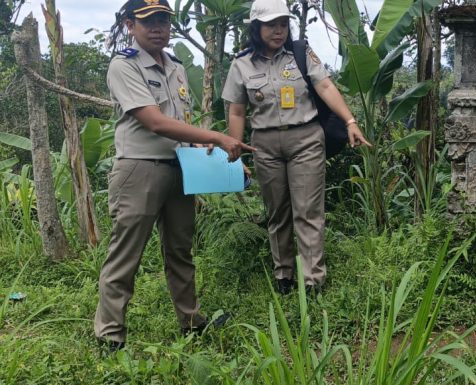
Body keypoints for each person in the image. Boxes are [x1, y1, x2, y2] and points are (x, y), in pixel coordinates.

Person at [95, 0, 255, 353]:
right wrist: (218, 136)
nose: (158, 27)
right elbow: (155, 121)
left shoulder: (176, 67)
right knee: (126, 254)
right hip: (140, 168)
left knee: (181, 250)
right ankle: (110, 335)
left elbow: (182, 129)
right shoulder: (125, 65)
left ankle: (191, 321)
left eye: (164, 20)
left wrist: (225, 161)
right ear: (129, 25)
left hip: (181, 167)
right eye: (148, 20)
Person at [221, 0, 370, 295]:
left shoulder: (301, 53)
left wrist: (350, 120)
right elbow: (236, 111)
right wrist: (235, 149)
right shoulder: (242, 64)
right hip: (264, 144)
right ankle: (284, 275)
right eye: (271, 25)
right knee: (277, 212)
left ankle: (313, 279)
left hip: (305, 139)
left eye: (282, 24)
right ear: (256, 27)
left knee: (308, 210)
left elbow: (326, 87)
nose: (278, 31)